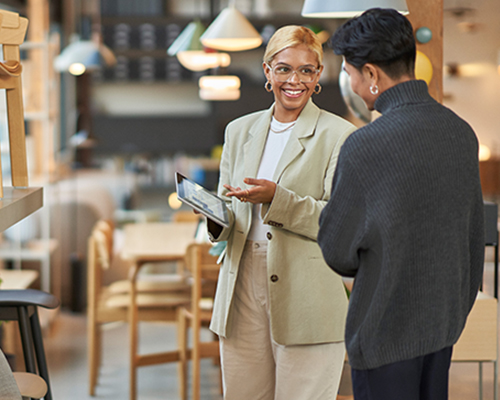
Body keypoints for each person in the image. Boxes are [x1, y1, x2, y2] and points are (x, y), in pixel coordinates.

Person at [318, 8, 484, 400]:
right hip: (442, 329)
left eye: (350, 72)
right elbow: (473, 236)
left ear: (372, 75)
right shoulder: (461, 134)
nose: (352, 84)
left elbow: (337, 251)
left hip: (385, 334)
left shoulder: (364, 146)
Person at [206, 25, 356, 399]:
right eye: (285, 69)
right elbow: (227, 211)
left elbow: (338, 221)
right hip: (241, 283)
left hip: (308, 290)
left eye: (307, 70)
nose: (295, 80)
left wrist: (277, 199)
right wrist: (212, 215)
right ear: (267, 71)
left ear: (319, 76)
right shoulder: (239, 131)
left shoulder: (339, 134)